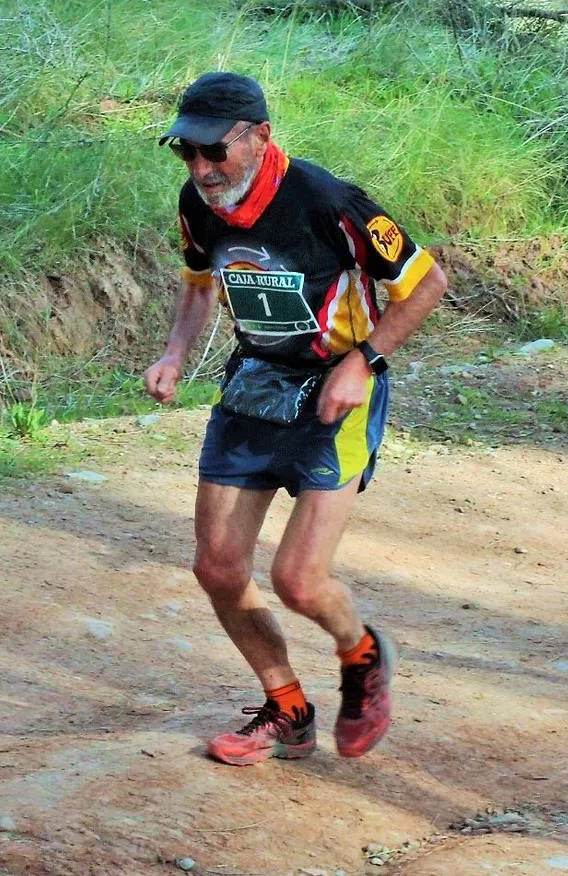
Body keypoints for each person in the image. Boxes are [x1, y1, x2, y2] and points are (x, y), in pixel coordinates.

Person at [144, 72, 447, 764]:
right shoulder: (199, 203)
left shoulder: (328, 201)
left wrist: (360, 360)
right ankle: (283, 707)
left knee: (299, 580)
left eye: (212, 152)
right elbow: (199, 286)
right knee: (218, 568)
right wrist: (172, 354)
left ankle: (363, 654)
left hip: (335, 394)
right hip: (254, 386)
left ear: (259, 138)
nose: (199, 168)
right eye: (185, 153)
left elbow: (427, 283)